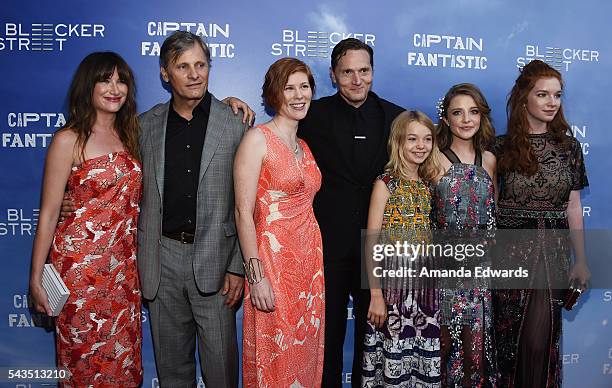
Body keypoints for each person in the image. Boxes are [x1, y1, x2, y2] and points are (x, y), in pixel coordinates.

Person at [136, 31, 249, 387]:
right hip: (161, 259)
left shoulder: (235, 123)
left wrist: (237, 266)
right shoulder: (143, 126)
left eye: (201, 64)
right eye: (183, 66)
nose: (194, 74)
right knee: (172, 373)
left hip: (217, 263)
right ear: (165, 74)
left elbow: (249, 203)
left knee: (221, 372)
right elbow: (116, 180)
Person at [29, 51, 143, 387]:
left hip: (123, 274)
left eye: (121, 80)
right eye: (105, 79)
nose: (114, 88)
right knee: (83, 364)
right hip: (80, 275)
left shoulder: (133, 135)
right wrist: (36, 277)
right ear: (87, 85)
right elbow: (49, 212)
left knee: (121, 365)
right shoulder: (68, 140)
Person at [297, 37, 405, 387]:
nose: (357, 80)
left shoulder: (397, 118)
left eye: (364, 70)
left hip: (378, 252)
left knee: (372, 345)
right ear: (332, 74)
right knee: (325, 343)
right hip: (327, 249)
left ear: (372, 72)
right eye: (347, 72)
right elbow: (271, 133)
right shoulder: (311, 115)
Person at [493, 59, 590, 387]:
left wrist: (582, 261)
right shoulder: (500, 148)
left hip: (552, 253)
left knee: (539, 342)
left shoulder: (569, 147)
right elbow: (489, 205)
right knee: (507, 346)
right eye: (543, 94)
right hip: (507, 256)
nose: (552, 102)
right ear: (524, 99)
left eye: (557, 95)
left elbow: (573, 206)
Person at [235, 57, 325, 387]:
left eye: (304, 87)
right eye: (290, 88)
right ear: (275, 93)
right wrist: (255, 277)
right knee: (276, 355)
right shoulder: (257, 139)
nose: (299, 95)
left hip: (310, 267)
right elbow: (243, 213)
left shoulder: (304, 146)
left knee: (305, 354)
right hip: (272, 264)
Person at [362, 110, 441, 387]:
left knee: (423, 359)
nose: (421, 146)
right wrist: (375, 295)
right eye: (412, 139)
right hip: (392, 286)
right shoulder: (385, 184)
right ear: (398, 142)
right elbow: (371, 243)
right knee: (394, 356)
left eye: (427, 139)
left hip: (426, 288)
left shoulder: (431, 185)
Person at [432, 83, 498, 386]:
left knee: (476, 351)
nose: (466, 119)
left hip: (479, 274)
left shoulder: (490, 160)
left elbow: (492, 218)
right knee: (443, 346)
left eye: (473, 112)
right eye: (458, 112)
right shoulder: (433, 158)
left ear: (482, 116)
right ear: (445, 118)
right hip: (443, 272)